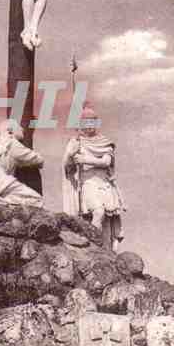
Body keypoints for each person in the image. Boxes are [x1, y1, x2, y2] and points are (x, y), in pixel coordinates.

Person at [62, 106, 126, 251]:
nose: (89, 125)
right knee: (98, 211)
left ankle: (105, 249)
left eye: (92, 122)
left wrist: (85, 159)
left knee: (107, 220)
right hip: (88, 183)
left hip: (104, 183)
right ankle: (93, 246)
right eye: (86, 122)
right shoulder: (76, 142)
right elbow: (67, 167)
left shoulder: (105, 142)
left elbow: (106, 162)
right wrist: (71, 156)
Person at [0, 119, 44, 207]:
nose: (22, 129)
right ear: (10, 131)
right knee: (36, 200)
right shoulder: (11, 143)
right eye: (19, 127)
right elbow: (38, 160)